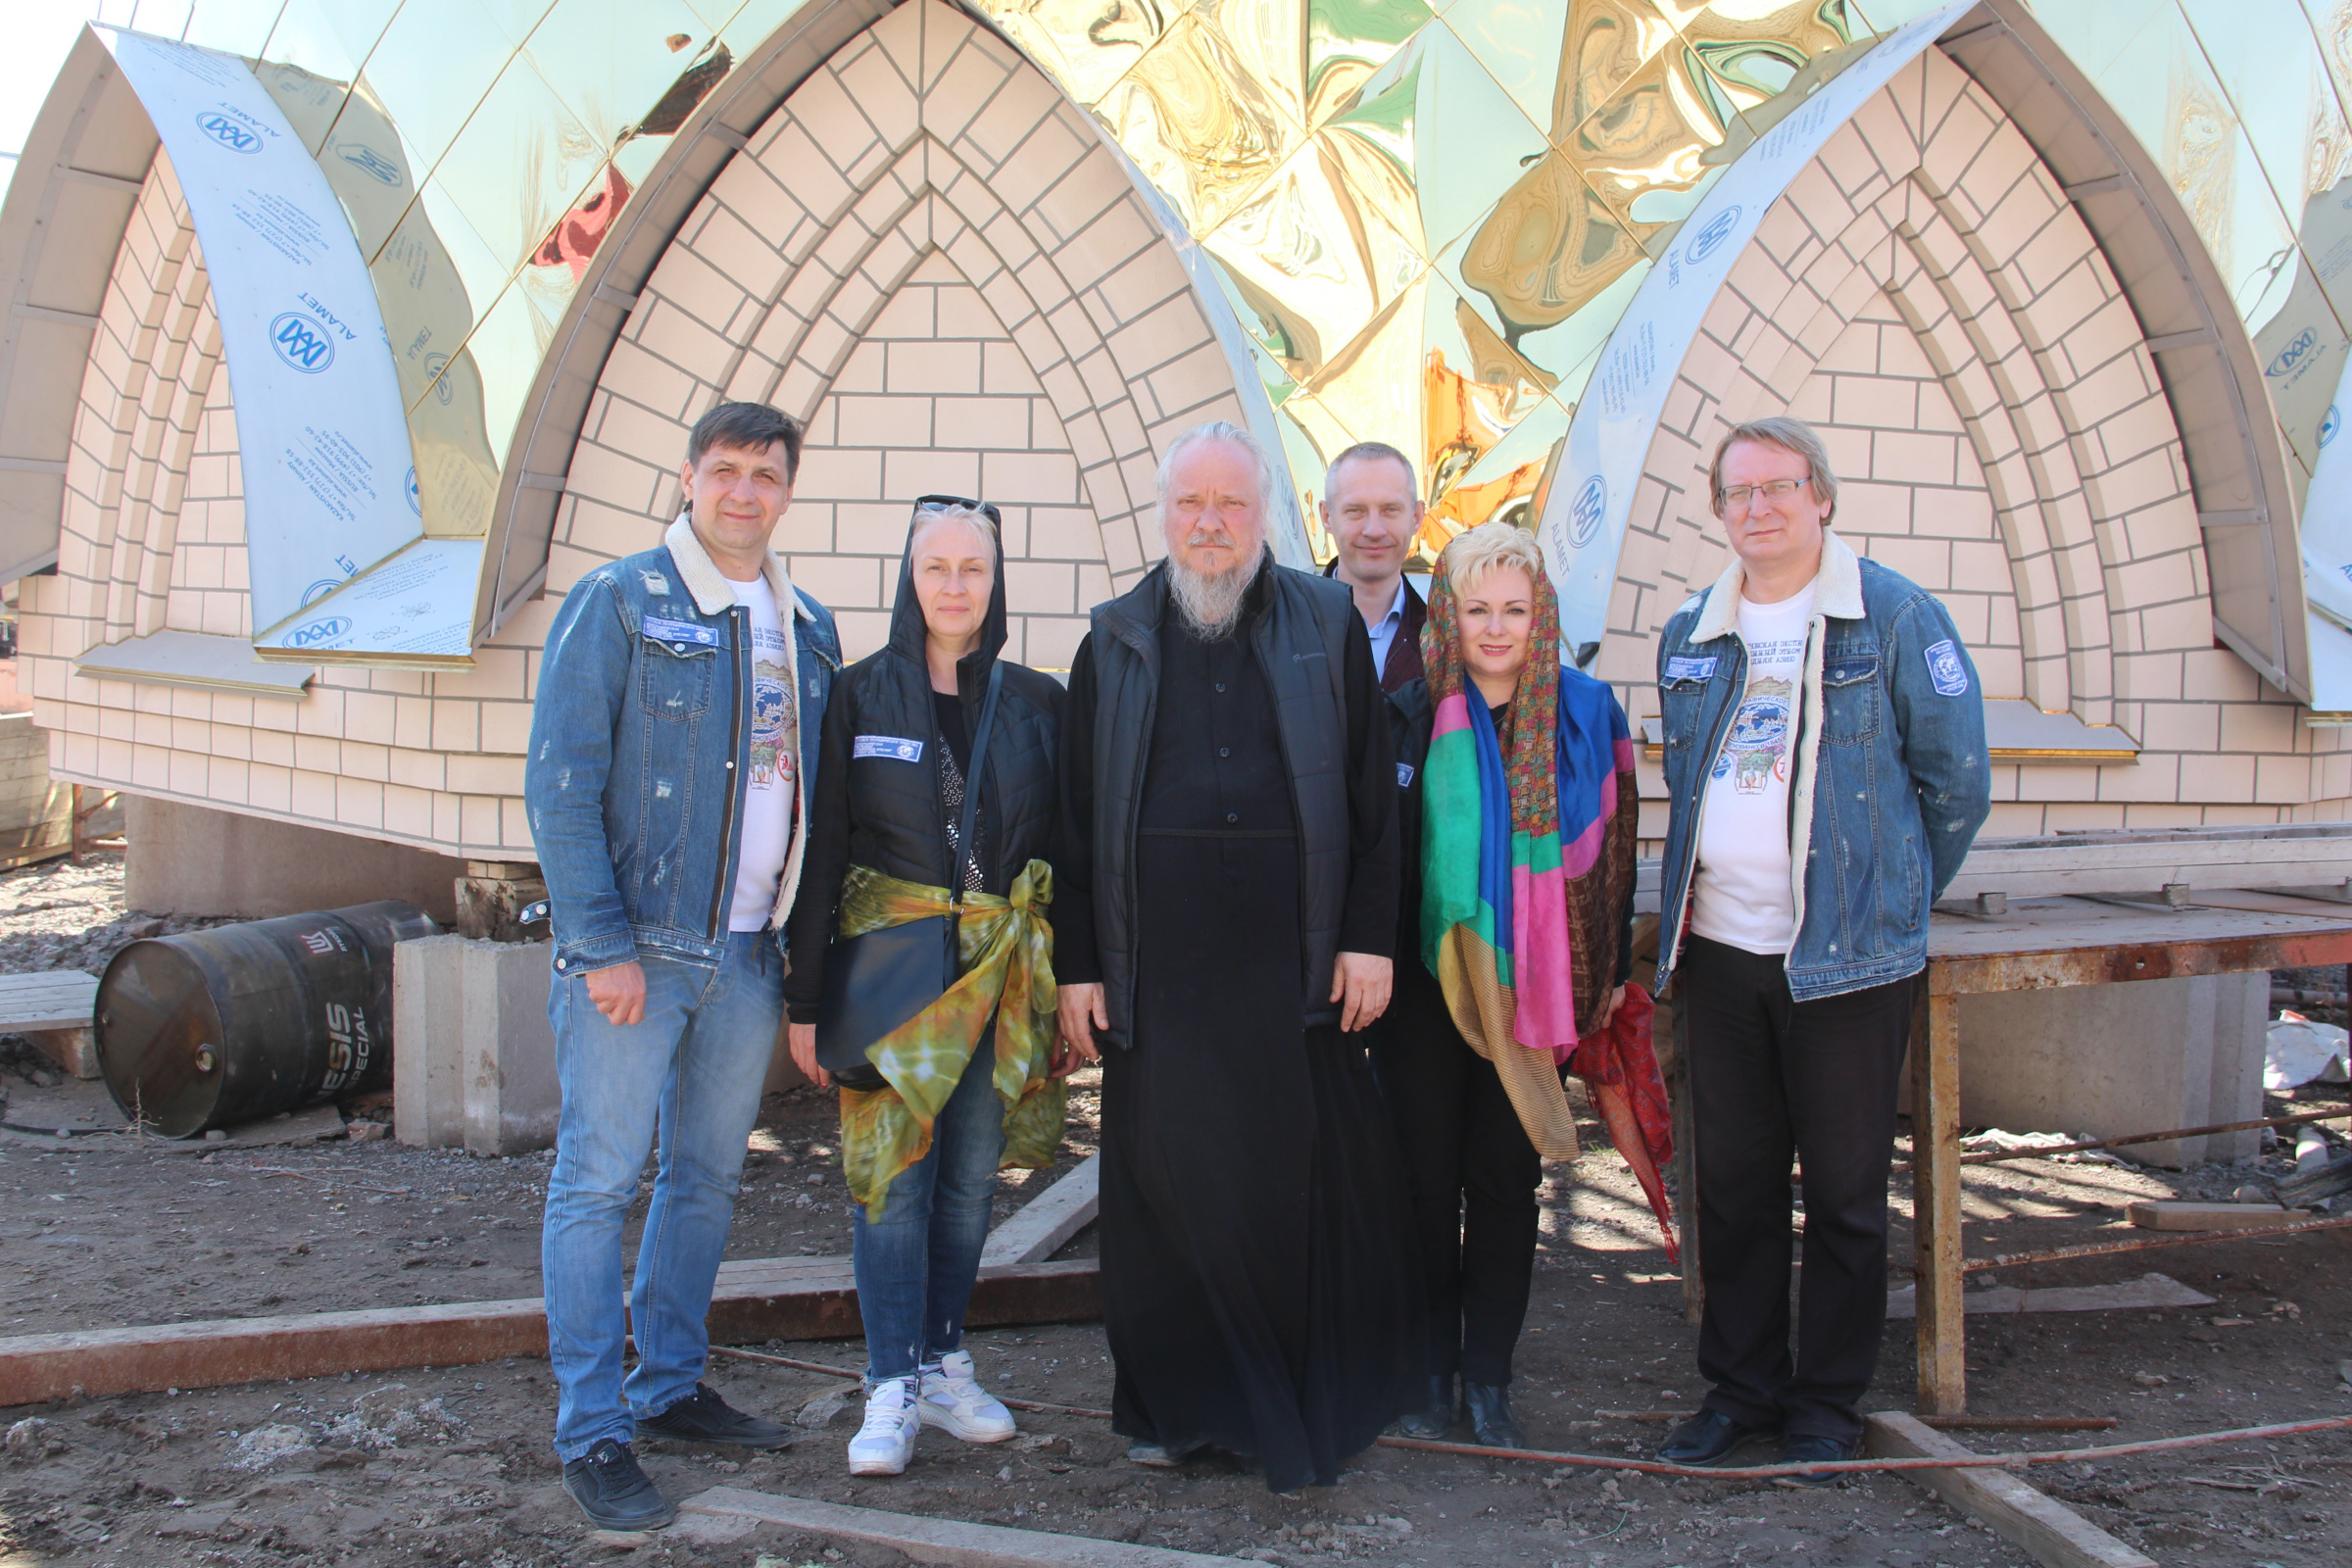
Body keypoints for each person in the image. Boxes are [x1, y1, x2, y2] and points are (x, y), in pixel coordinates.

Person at [1053, 420, 1422, 1493]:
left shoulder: (1324, 622)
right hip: (1159, 969)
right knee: (1167, 1191)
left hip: (1290, 963)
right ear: (1163, 515)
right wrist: (1080, 965)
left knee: (1283, 1191)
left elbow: (1372, 805)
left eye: (1231, 504)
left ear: (1268, 517)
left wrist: (1368, 940)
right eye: (1191, 504)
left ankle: (1283, 1410)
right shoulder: (1112, 639)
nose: (1210, 524)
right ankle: (1178, 1410)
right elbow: (1075, 825)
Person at [1651, 416, 1988, 1481]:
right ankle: (1741, 1390)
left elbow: (1957, 783)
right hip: (1723, 953)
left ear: (1822, 497)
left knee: (1843, 1193)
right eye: (1738, 492)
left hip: (1847, 962)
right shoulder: (1692, 631)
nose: (1758, 507)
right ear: (1720, 509)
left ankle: (1826, 1404)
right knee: (1734, 1185)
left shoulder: (1895, 617)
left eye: (1779, 487)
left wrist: (1884, 899)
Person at [526, 401, 842, 1531]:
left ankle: (667, 1387)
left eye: (766, 474)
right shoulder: (619, 601)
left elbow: (816, 806)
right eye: (726, 470)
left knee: (704, 1180)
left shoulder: (808, 627)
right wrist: (600, 945)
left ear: (788, 491)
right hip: (640, 954)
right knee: (597, 1183)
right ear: (689, 476)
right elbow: (561, 785)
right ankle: (593, 1431)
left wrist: (803, 970)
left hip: (751, 954)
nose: (744, 491)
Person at [783, 498, 1069, 1478]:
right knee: (891, 1182)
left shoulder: (1037, 702)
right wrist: (805, 999)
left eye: (972, 569)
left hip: (997, 980)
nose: (954, 585)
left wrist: (1069, 986)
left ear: (997, 582)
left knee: (967, 1180)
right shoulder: (859, 696)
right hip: (889, 979)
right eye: (935, 567)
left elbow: (1063, 852)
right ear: (910, 579)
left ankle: (945, 1361)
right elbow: (824, 850)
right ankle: (889, 1382)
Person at [1377, 521, 1639, 1449]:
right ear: (1447, 613)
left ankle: (1488, 1375)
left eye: (1515, 611)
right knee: (1420, 1182)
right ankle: (1425, 1373)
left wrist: (1611, 972)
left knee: (1502, 1179)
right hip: (1424, 986)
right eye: (1476, 608)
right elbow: (1378, 858)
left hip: (1536, 986)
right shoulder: (1407, 712)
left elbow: (1615, 852)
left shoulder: (1587, 713)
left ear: (1542, 616)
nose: (1495, 629)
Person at [1319, 442, 1428, 692]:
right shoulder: (1280, 632)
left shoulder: (1446, 641)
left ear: (1416, 517)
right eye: (1355, 511)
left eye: (1390, 510)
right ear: (1327, 517)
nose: (1374, 531)